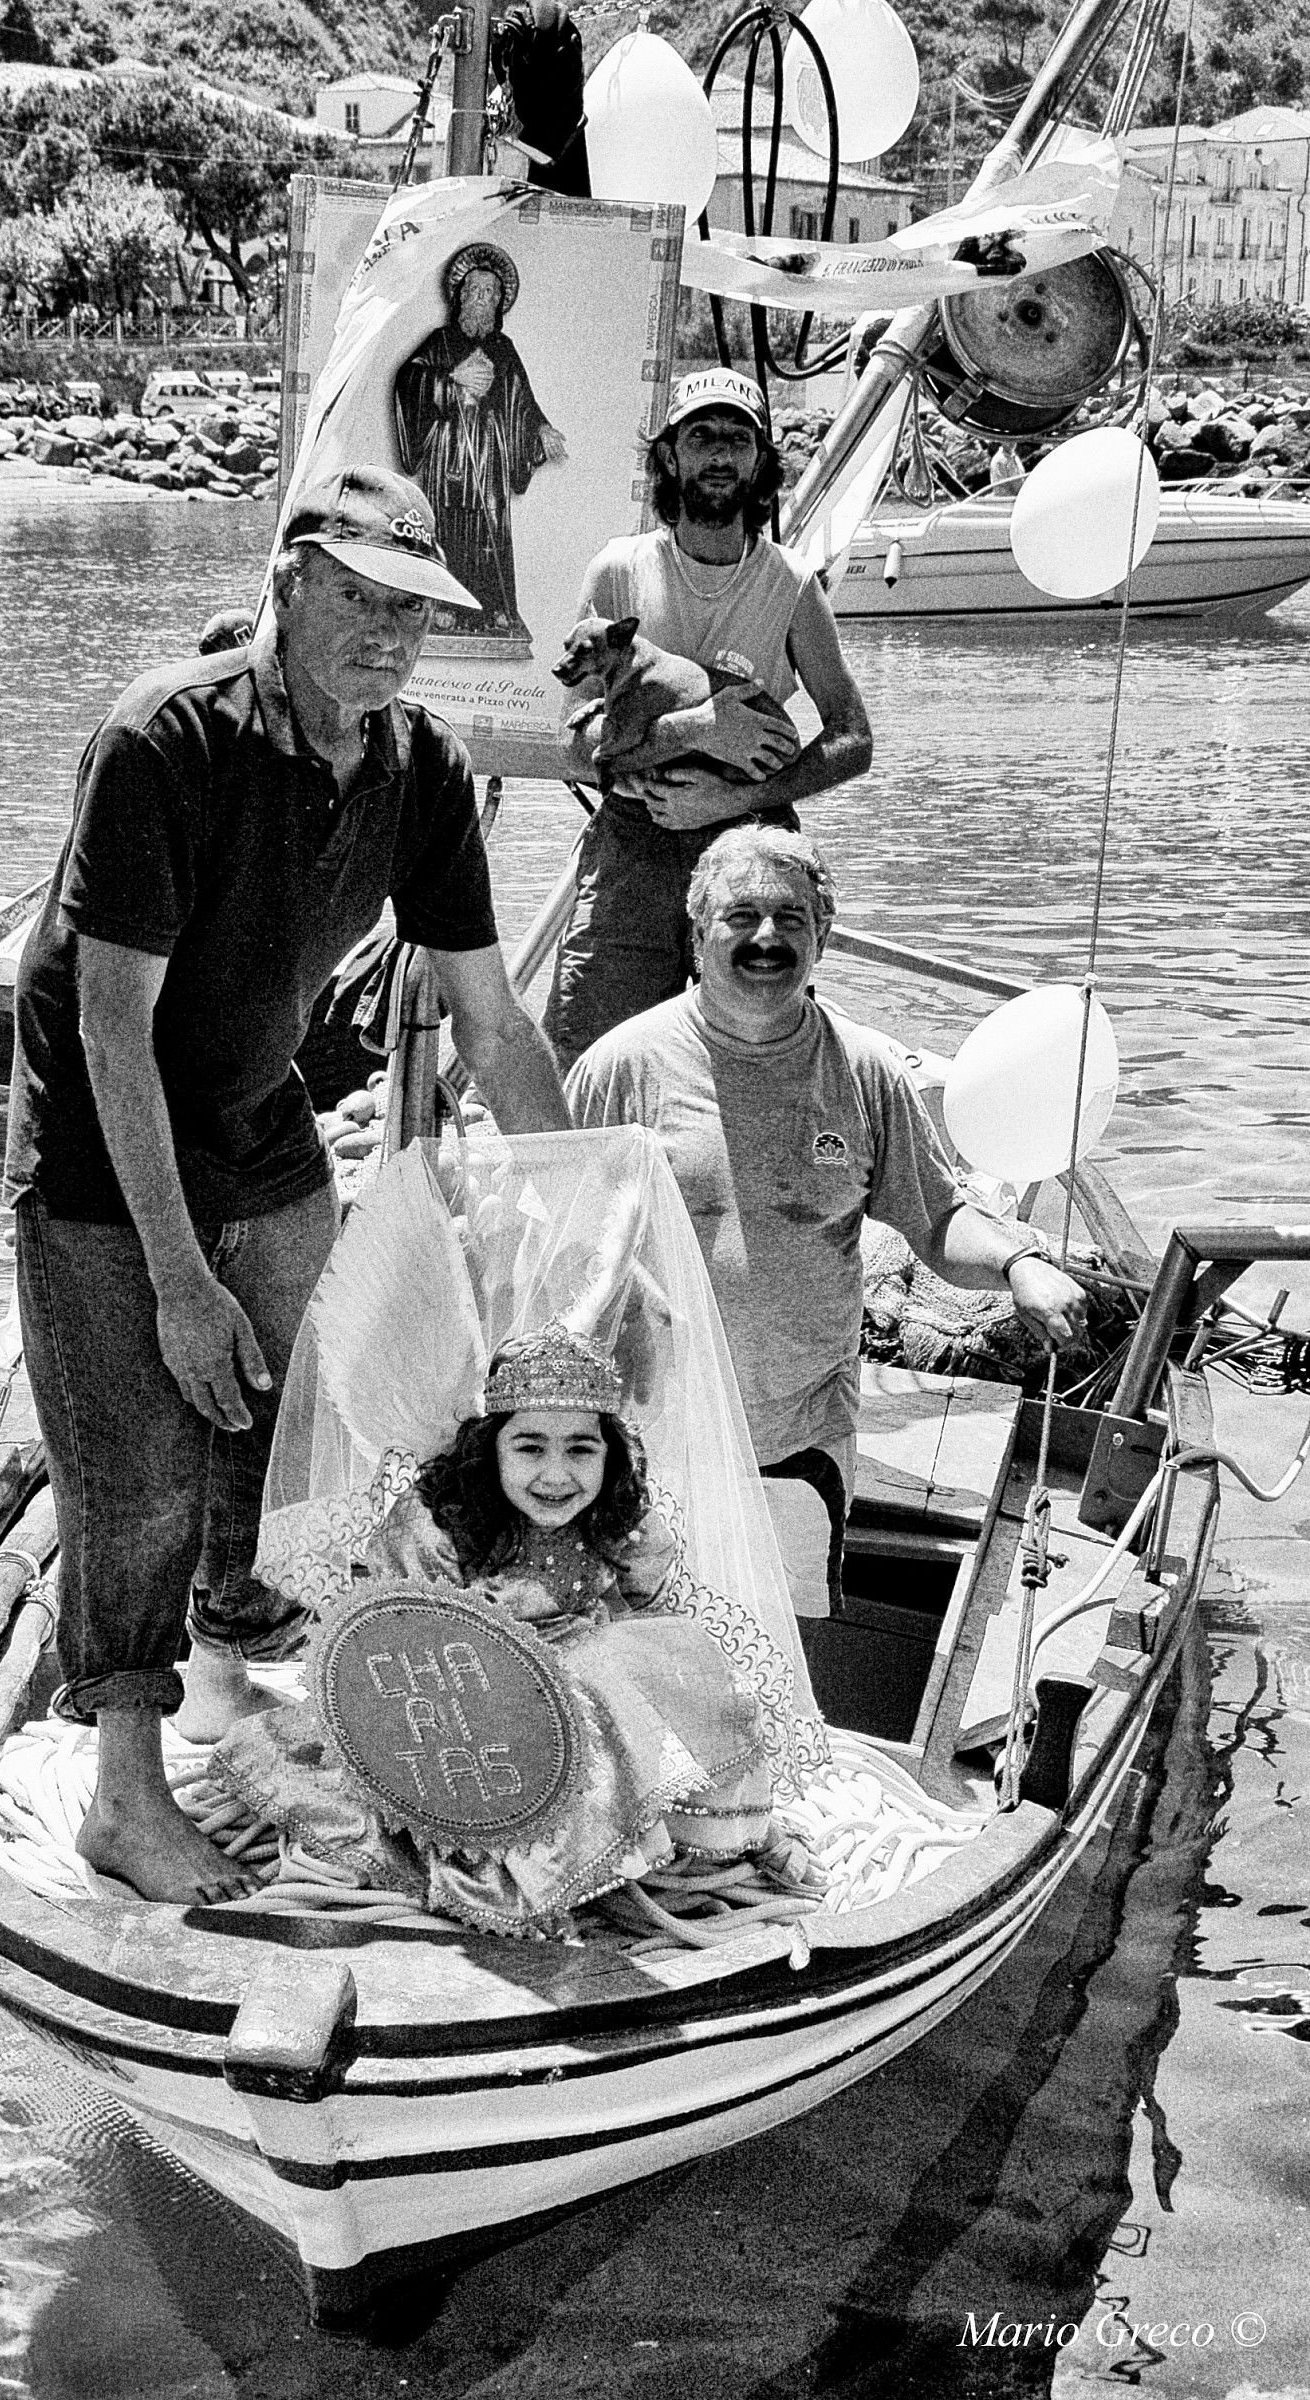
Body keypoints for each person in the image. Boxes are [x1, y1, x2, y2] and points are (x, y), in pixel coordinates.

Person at [3, 463, 572, 1903]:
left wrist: (572, 1203)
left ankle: (225, 1661)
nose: (387, 636)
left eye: (413, 612)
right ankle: (126, 1799)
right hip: (100, 1145)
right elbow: (109, 1027)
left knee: (308, 1413)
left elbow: (491, 1022)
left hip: (259, 1119)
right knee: (131, 1469)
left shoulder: (416, 766)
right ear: (286, 585)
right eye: (360, 600)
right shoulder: (161, 742)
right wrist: (181, 1280)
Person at [566, 823, 1089, 1605]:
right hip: (641, 1438)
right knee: (627, 1654)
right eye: (740, 916)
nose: (766, 937)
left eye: (791, 918)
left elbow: (938, 1220)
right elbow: (557, 1242)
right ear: (698, 930)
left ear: (823, 935)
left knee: (778, 1663)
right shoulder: (620, 1066)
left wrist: (1019, 1265)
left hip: (797, 1437)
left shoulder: (865, 1067)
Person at [212, 1323, 803, 1936]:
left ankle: (734, 1833)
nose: (556, 1474)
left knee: (681, 1657)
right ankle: (510, 1871)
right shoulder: (436, 1522)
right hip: (461, 1706)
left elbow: (641, 1622)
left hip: (587, 1702)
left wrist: (647, 1605)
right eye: (529, 1447)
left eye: (581, 1449)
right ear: (490, 1448)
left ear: (611, 1454)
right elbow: (395, 1648)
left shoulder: (622, 1523)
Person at [543, 366, 873, 1069]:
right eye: (700, 436)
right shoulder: (618, 573)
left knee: (759, 1057)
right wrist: (694, 729)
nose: (719, 454)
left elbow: (852, 739)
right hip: (634, 841)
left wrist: (741, 796)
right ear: (669, 455)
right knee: (588, 1052)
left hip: (749, 843)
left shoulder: (790, 585)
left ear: (760, 462)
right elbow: (572, 748)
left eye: (736, 438)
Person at [393, 241, 567, 641]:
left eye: (491, 293)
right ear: (462, 296)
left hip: (489, 453)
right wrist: (450, 380)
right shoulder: (438, 341)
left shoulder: (503, 349)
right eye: (476, 291)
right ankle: (447, 606)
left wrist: (541, 430)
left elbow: (522, 401)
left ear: (499, 303)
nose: (482, 299)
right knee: (449, 525)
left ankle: (495, 607)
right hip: (448, 447)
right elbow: (408, 380)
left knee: (489, 526)